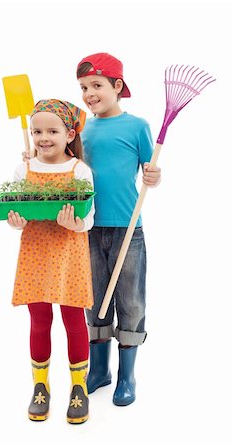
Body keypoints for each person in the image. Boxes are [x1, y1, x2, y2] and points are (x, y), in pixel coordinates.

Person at [76, 53, 161, 406]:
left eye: (96, 85)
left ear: (117, 86)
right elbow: (64, 161)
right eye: (83, 87)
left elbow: (149, 171)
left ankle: (127, 376)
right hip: (88, 228)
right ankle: (100, 371)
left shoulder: (137, 125)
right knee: (94, 300)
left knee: (131, 302)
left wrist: (154, 176)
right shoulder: (80, 126)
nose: (89, 93)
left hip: (128, 228)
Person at [8, 99, 95, 423]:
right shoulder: (24, 168)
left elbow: (89, 218)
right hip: (35, 252)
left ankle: (78, 387)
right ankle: (40, 386)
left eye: (52, 131)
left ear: (70, 133)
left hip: (69, 253)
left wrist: (77, 224)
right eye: (36, 131)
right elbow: (17, 210)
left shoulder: (79, 170)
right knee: (39, 320)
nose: (43, 137)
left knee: (74, 322)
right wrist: (15, 220)